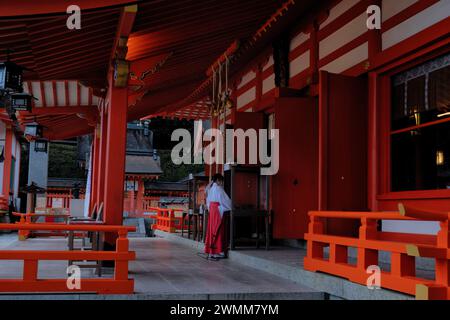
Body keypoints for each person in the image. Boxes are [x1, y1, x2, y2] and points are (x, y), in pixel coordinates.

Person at [204, 173, 231, 260]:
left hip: (212, 210)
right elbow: (225, 201)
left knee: (212, 230)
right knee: (219, 230)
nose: (222, 183)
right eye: (221, 181)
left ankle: (211, 252)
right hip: (218, 210)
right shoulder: (219, 189)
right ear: (218, 180)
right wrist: (231, 206)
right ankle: (218, 251)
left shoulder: (211, 188)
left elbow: (208, 201)